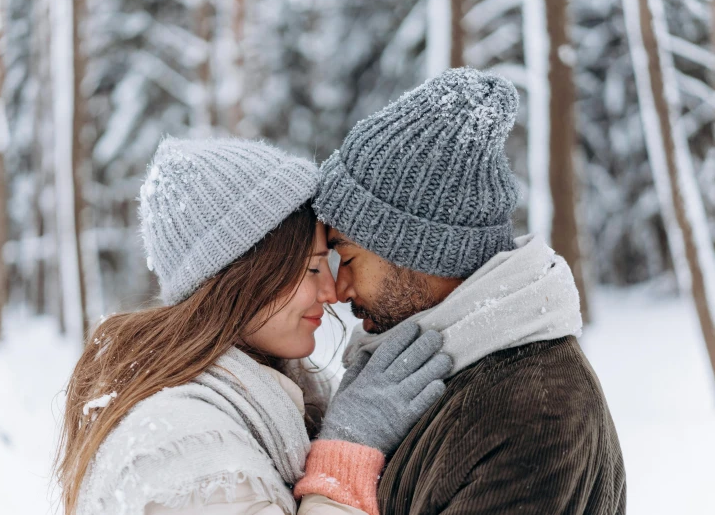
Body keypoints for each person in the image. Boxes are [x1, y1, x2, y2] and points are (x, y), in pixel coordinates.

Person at [55, 137, 452, 515]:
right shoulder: (184, 448)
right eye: (313, 268)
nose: (331, 292)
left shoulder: (264, 403)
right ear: (245, 278)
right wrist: (347, 451)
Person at [312, 68, 627, 514]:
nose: (339, 289)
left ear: (415, 248)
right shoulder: (439, 375)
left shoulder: (531, 412)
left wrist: (342, 458)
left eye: (347, 257)